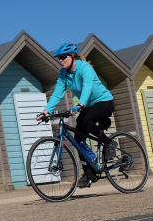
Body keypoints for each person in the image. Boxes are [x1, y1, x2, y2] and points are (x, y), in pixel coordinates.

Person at [35, 42, 114, 188]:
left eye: (63, 57)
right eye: (58, 58)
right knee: (78, 139)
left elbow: (88, 87)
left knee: (86, 120)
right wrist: (46, 111)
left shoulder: (85, 68)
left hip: (104, 101)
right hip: (88, 106)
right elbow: (57, 93)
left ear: (72, 56)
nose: (60, 60)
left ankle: (109, 143)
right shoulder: (63, 74)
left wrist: (80, 104)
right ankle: (90, 174)